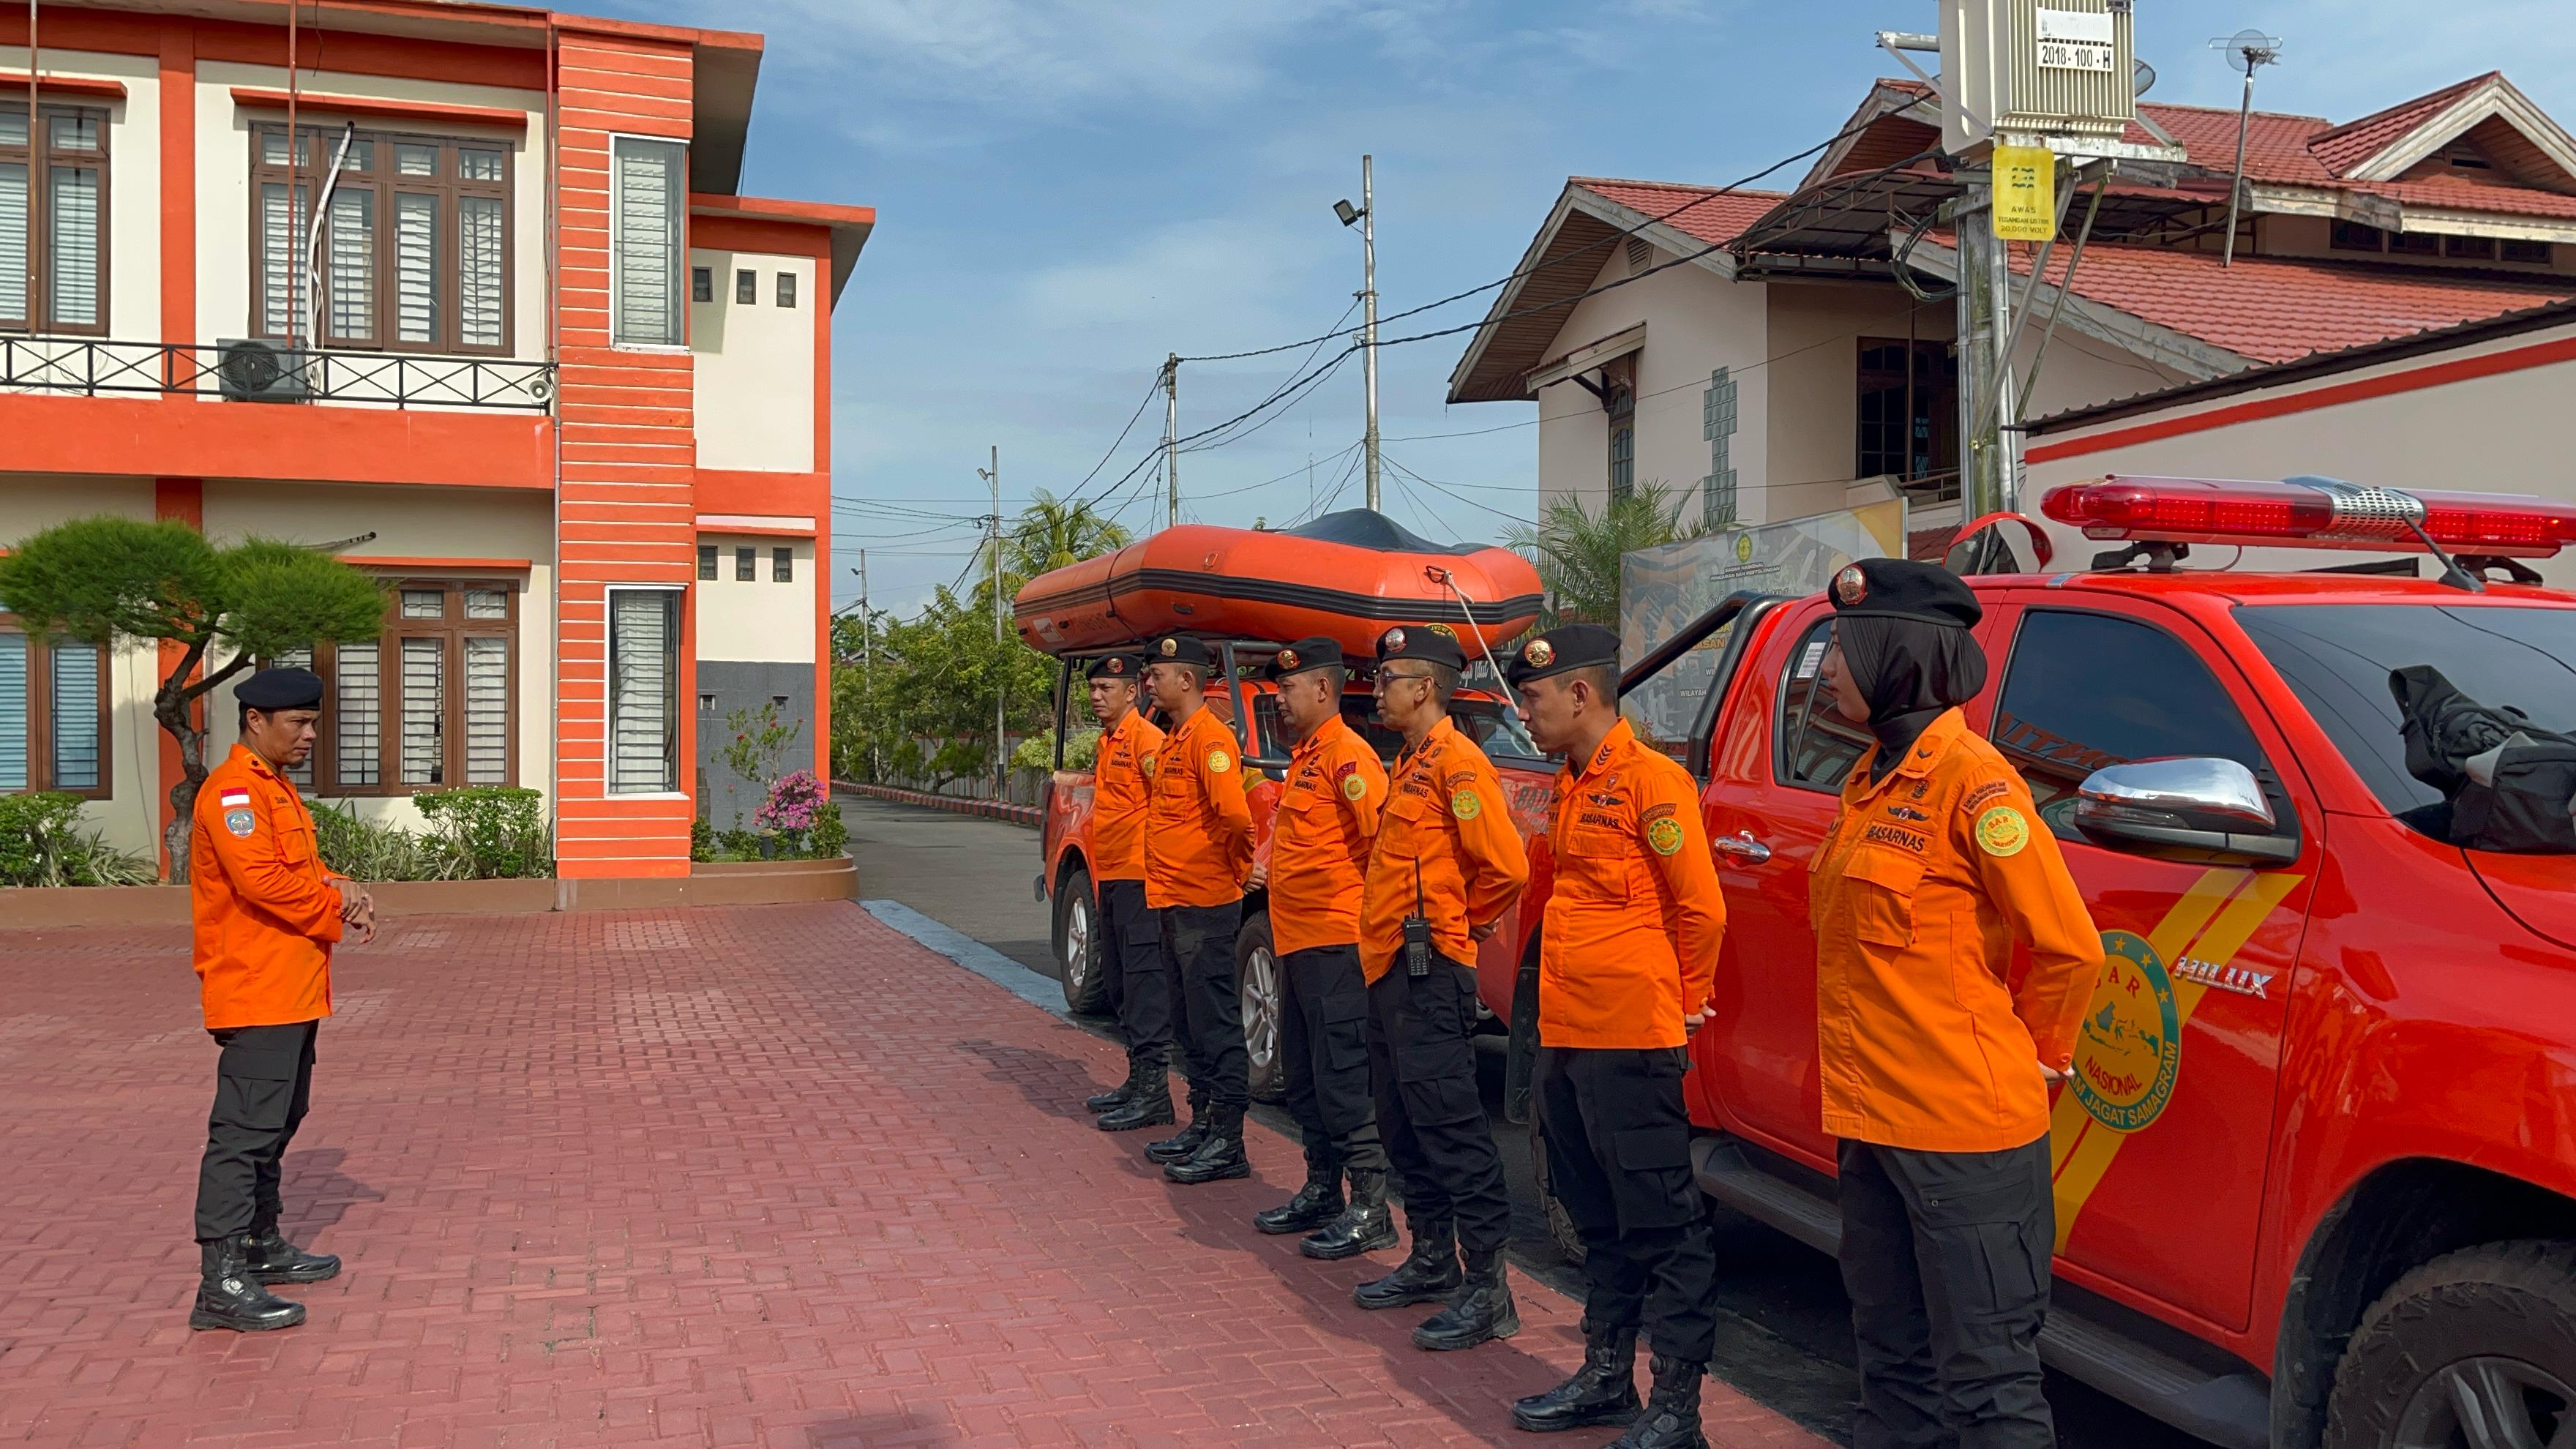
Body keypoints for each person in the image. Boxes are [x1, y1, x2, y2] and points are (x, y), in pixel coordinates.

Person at [1810, 559, 2104, 1449]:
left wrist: (2037, 1056)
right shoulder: (1869, 779)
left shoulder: (1976, 785)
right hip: (1873, 1120)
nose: (1825, 668)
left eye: (1842, 649)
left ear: (1895, 654)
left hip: (1962, 1138)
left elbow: (2066, 946)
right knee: (1890, 1365)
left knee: (1988, 1386)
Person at [1505, 624, 1726, 1448]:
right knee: (1593, 1218)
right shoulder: (1571, 782)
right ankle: (1607, 1375)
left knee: (1661, 1225)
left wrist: (1686, 1001)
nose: (1523, 713)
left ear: (1580, 695)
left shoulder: (1651, 782)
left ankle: (1676, 1403)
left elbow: (1700, 907)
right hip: (1567, 1032)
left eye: (1532, 698)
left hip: (1629, 1035)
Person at [1352, 624, 1529, 1351]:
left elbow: (1506, 868)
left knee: (1451, 1130)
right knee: (1403, 1125)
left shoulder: (1458, 764)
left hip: (1430, 976)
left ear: (1424, 687)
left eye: (1388, 679)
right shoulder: (1413, 761)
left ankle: (1486, 1286)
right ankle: (1430, 1258)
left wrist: (1467, 927)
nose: (1378, 690)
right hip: (1391, 970)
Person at [187, 667, 378, 1333]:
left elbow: (293, 868)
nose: (309, 734)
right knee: (241, 1134)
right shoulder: (236, 789)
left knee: (278, 1119)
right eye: (297, 723)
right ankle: (221, 1282)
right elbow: (263, 880)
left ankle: (261, 1246)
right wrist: (333, 904)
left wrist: (339, 882)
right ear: (255, 722)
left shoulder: (275, 789)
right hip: (256, 987)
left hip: (290, 987)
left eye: (313, 721)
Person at [1244, 637, 1396, 1259]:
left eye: (1288, 687)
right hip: (1296, 944)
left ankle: (1371, 1206)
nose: (1280, 699)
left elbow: (1381, 850)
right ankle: (1320, 1188)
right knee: (1303, 1076)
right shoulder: (1305, 758)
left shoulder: (1349, 758)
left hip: (1337, 946)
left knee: (1343, 1079)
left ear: (1324, 690)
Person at [1136, 633, 1259, 1184]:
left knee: (1214, 1024)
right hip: (1172, 898)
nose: (1150, 683)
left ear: (1186, 680)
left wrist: (1234, 869)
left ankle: (1229, 1141)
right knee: (1188, 1023)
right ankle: (1203, 1122)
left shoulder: (1210, 739)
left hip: (1205, 901)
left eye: (1158, 675)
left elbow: (1235, 818)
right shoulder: (1175, 738)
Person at [1077, 654, 1177, 1132]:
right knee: (1118, 983)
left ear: (1132, 692)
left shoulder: (1147, 740)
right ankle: (1138, 1082)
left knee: (1144, 987)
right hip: (1113, 877)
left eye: (1107, 688)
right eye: (1094, 688)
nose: (1097, 696)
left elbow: (1171, 806)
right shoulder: (1107, 741)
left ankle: (1156, 1093)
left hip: (1142, 880)